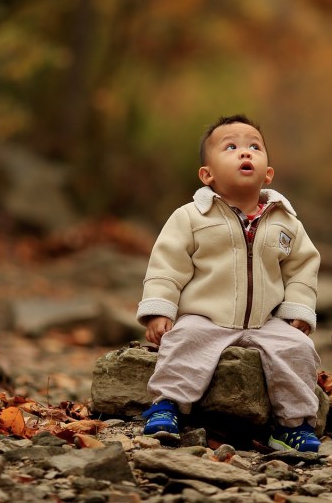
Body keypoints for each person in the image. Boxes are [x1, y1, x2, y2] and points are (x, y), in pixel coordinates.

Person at [136, 114, 322, 452]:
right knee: (183, 340)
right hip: (206, 316)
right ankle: (167, 405)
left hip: (266, 321)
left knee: (298, 349)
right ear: (207, 175)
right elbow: (167, 264)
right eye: (231, 147)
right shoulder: (191, 217)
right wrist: (160, 309)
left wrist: (298, 310)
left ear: (268, 173)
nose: (245, 152)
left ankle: (292, 425)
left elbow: (302, 267)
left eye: (254, 147)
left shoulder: (286, 221)